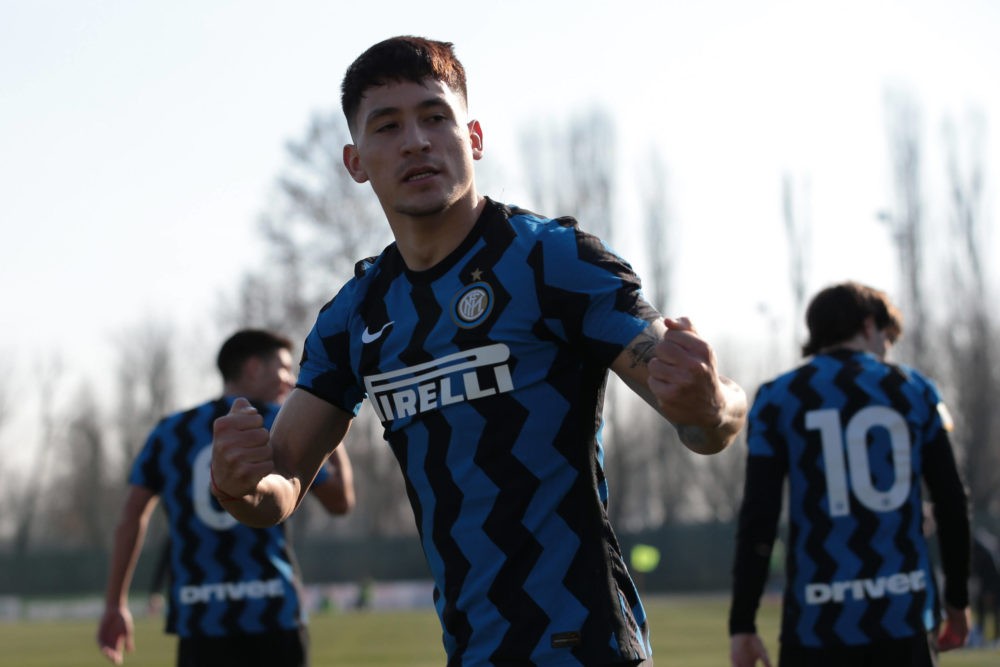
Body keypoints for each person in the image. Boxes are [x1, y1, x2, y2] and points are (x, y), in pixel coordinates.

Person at [210, 36, 748, 666]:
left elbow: (713, 422)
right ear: (356, 162)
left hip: (588, 649)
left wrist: (710, 405)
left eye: (435, 117)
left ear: (475, 137)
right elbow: (284, 481)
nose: (416, 140)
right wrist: (238, 486)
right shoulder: (355, 315)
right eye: (388, 126)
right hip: (470, 652)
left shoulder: (551, 260)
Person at [728, 281, 971, 667]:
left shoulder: (777, 397)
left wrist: (742, 623)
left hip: (815, 622)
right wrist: (958, 601)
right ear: (871, 326)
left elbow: (760, 518)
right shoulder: (914, 389)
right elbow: (953, 502)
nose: (886, 351)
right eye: (888, 340)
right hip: (902, 618)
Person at [98, 329, 355, 667]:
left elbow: (132, 516)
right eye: (283, 369)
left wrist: (116, 602)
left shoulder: (170, 431)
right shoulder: (277, 424)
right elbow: (341, 501)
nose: (290, 380)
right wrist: (325, 418)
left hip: (200, 619)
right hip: (272, 611)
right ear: (253, 368)